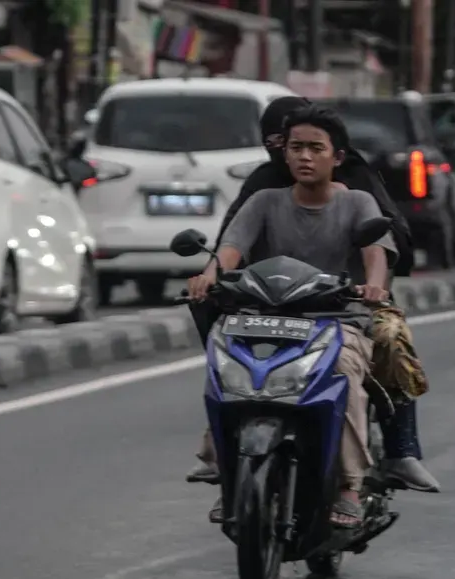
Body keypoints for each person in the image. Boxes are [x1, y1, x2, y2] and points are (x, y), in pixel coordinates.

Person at [186, 96, 440, 495]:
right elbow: (230, 247)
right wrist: (208, 276)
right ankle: (221, 452)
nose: (301, 156)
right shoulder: (263, 194)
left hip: (344, 310)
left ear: (336, 155)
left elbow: (379, 251)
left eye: (314, 147)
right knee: (224, 340)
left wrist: (375, 287)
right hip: (270, 307)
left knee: (383, 342)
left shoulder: (358, 194)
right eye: (291, 145)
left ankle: (388, 459)